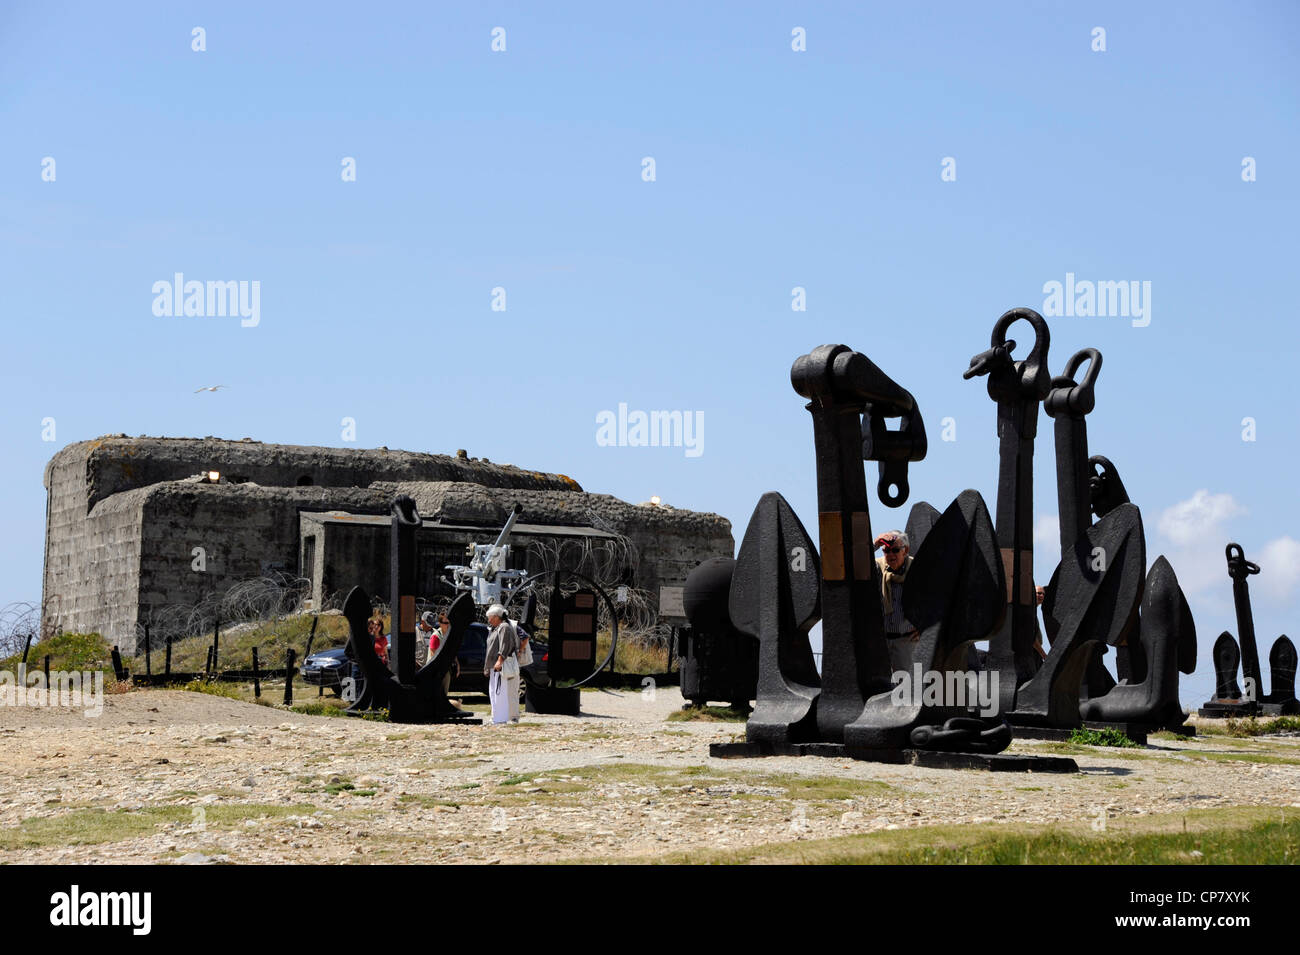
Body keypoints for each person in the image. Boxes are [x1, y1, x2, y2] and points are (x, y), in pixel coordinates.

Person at [874, 530, 917, 671]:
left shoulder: (918, 568)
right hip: (880, 642)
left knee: (906, 688)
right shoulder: (877, 567)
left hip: (906, 643)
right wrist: (874, 544)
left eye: (895, 550)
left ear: (906, 551)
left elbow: (935, 599)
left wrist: (925, 627)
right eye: (886, 550)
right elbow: (855, 563)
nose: (890, 555)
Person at [484, 603, 519, 724]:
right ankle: (496, 718)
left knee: (500, 692)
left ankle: (500, 719)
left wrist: (499, 661)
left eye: (490, 617)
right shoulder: (494, 628)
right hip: (493, 666)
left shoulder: (504, 627)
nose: (489, 620)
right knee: (493, 692)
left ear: (496, 617)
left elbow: (505, 646)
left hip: (500, 666)